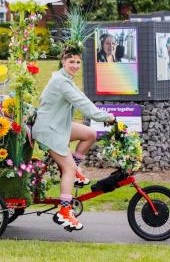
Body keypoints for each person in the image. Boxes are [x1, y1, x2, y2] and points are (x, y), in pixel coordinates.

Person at [32, 48, 115, 231]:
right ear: (63, 61)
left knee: (90, 134)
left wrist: (104, 114)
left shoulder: (66, 79)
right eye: (71, 62)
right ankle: (64, 210)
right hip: (49, 130)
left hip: (58, 125)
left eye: (78, 62)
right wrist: (106, 117)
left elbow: (82, 98)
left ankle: (74, 170)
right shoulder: (61, 82)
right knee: (68, 167)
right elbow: (82, 105)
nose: (75, 66)